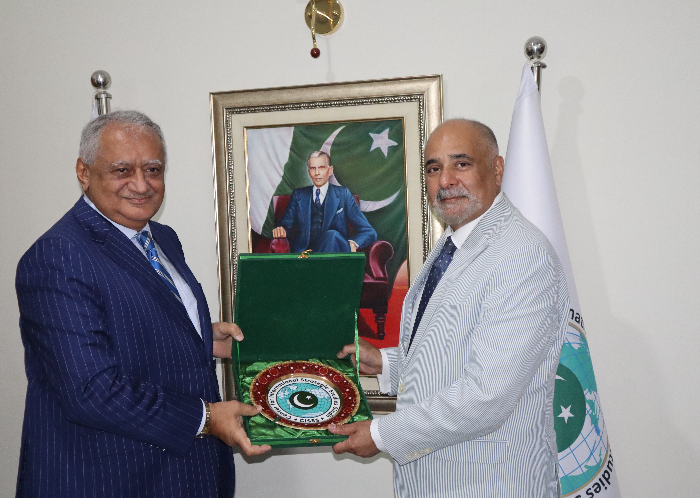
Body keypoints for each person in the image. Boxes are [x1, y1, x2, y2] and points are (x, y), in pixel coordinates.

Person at [15, 111, 270, 498]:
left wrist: (199, 337)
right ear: (84, 172)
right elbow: (91, 390)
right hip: (110, 479)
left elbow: (129, 325)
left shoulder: (162, 238)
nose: (141, 184)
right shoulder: (57, 256)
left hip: (187, 476)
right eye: (122, 170)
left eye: (153, 169)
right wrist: (205, 418)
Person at [329, 119, 569, 497]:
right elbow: (451, 352)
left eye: (461, 164)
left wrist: (381, 434)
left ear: (497, 168)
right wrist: (386, 363)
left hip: (492, 485)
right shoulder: (454, 242)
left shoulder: (521, 255)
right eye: (434, 168)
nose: (445, 180)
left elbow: (486, 395)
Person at [272, 151, 377, 253]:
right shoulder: (298, 195)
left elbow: (369, 231)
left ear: (330, 170)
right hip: (305, 254)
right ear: (309, 172)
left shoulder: (343, 195)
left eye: (321, 167)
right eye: (313, 168)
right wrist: (281, 230)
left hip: (334, 252)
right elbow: (285, 225)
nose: (317, 173)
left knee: (332, 235)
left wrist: (353, 243)